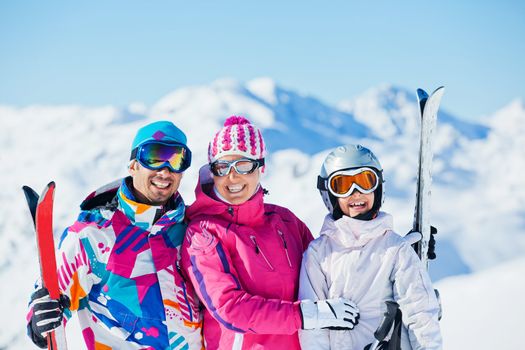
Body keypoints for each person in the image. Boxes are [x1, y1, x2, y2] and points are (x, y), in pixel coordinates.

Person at [180, 116, 360, 350]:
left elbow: (329, 271)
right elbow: (230, 309)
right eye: (222, 167)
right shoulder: (203, 234)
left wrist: (382, 251)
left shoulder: (286, 221)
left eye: (243, 165)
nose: (232, 177)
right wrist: (307, 315)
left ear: (261, 166)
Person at [26, 121, 202, 349]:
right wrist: (39, 322)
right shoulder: (93, 236)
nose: (165, 170)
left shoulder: (191, 230)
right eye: (154, 157)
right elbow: (51, 292)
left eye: (177, 159)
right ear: (133, 165)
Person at [299, 144, 442, 350]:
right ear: (329, 194)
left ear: (378, 188)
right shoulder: (318, 254)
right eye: (343, 185)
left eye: (365, 182)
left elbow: (420, 313)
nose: (356, 193)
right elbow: (313, 328)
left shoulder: (395, 249)